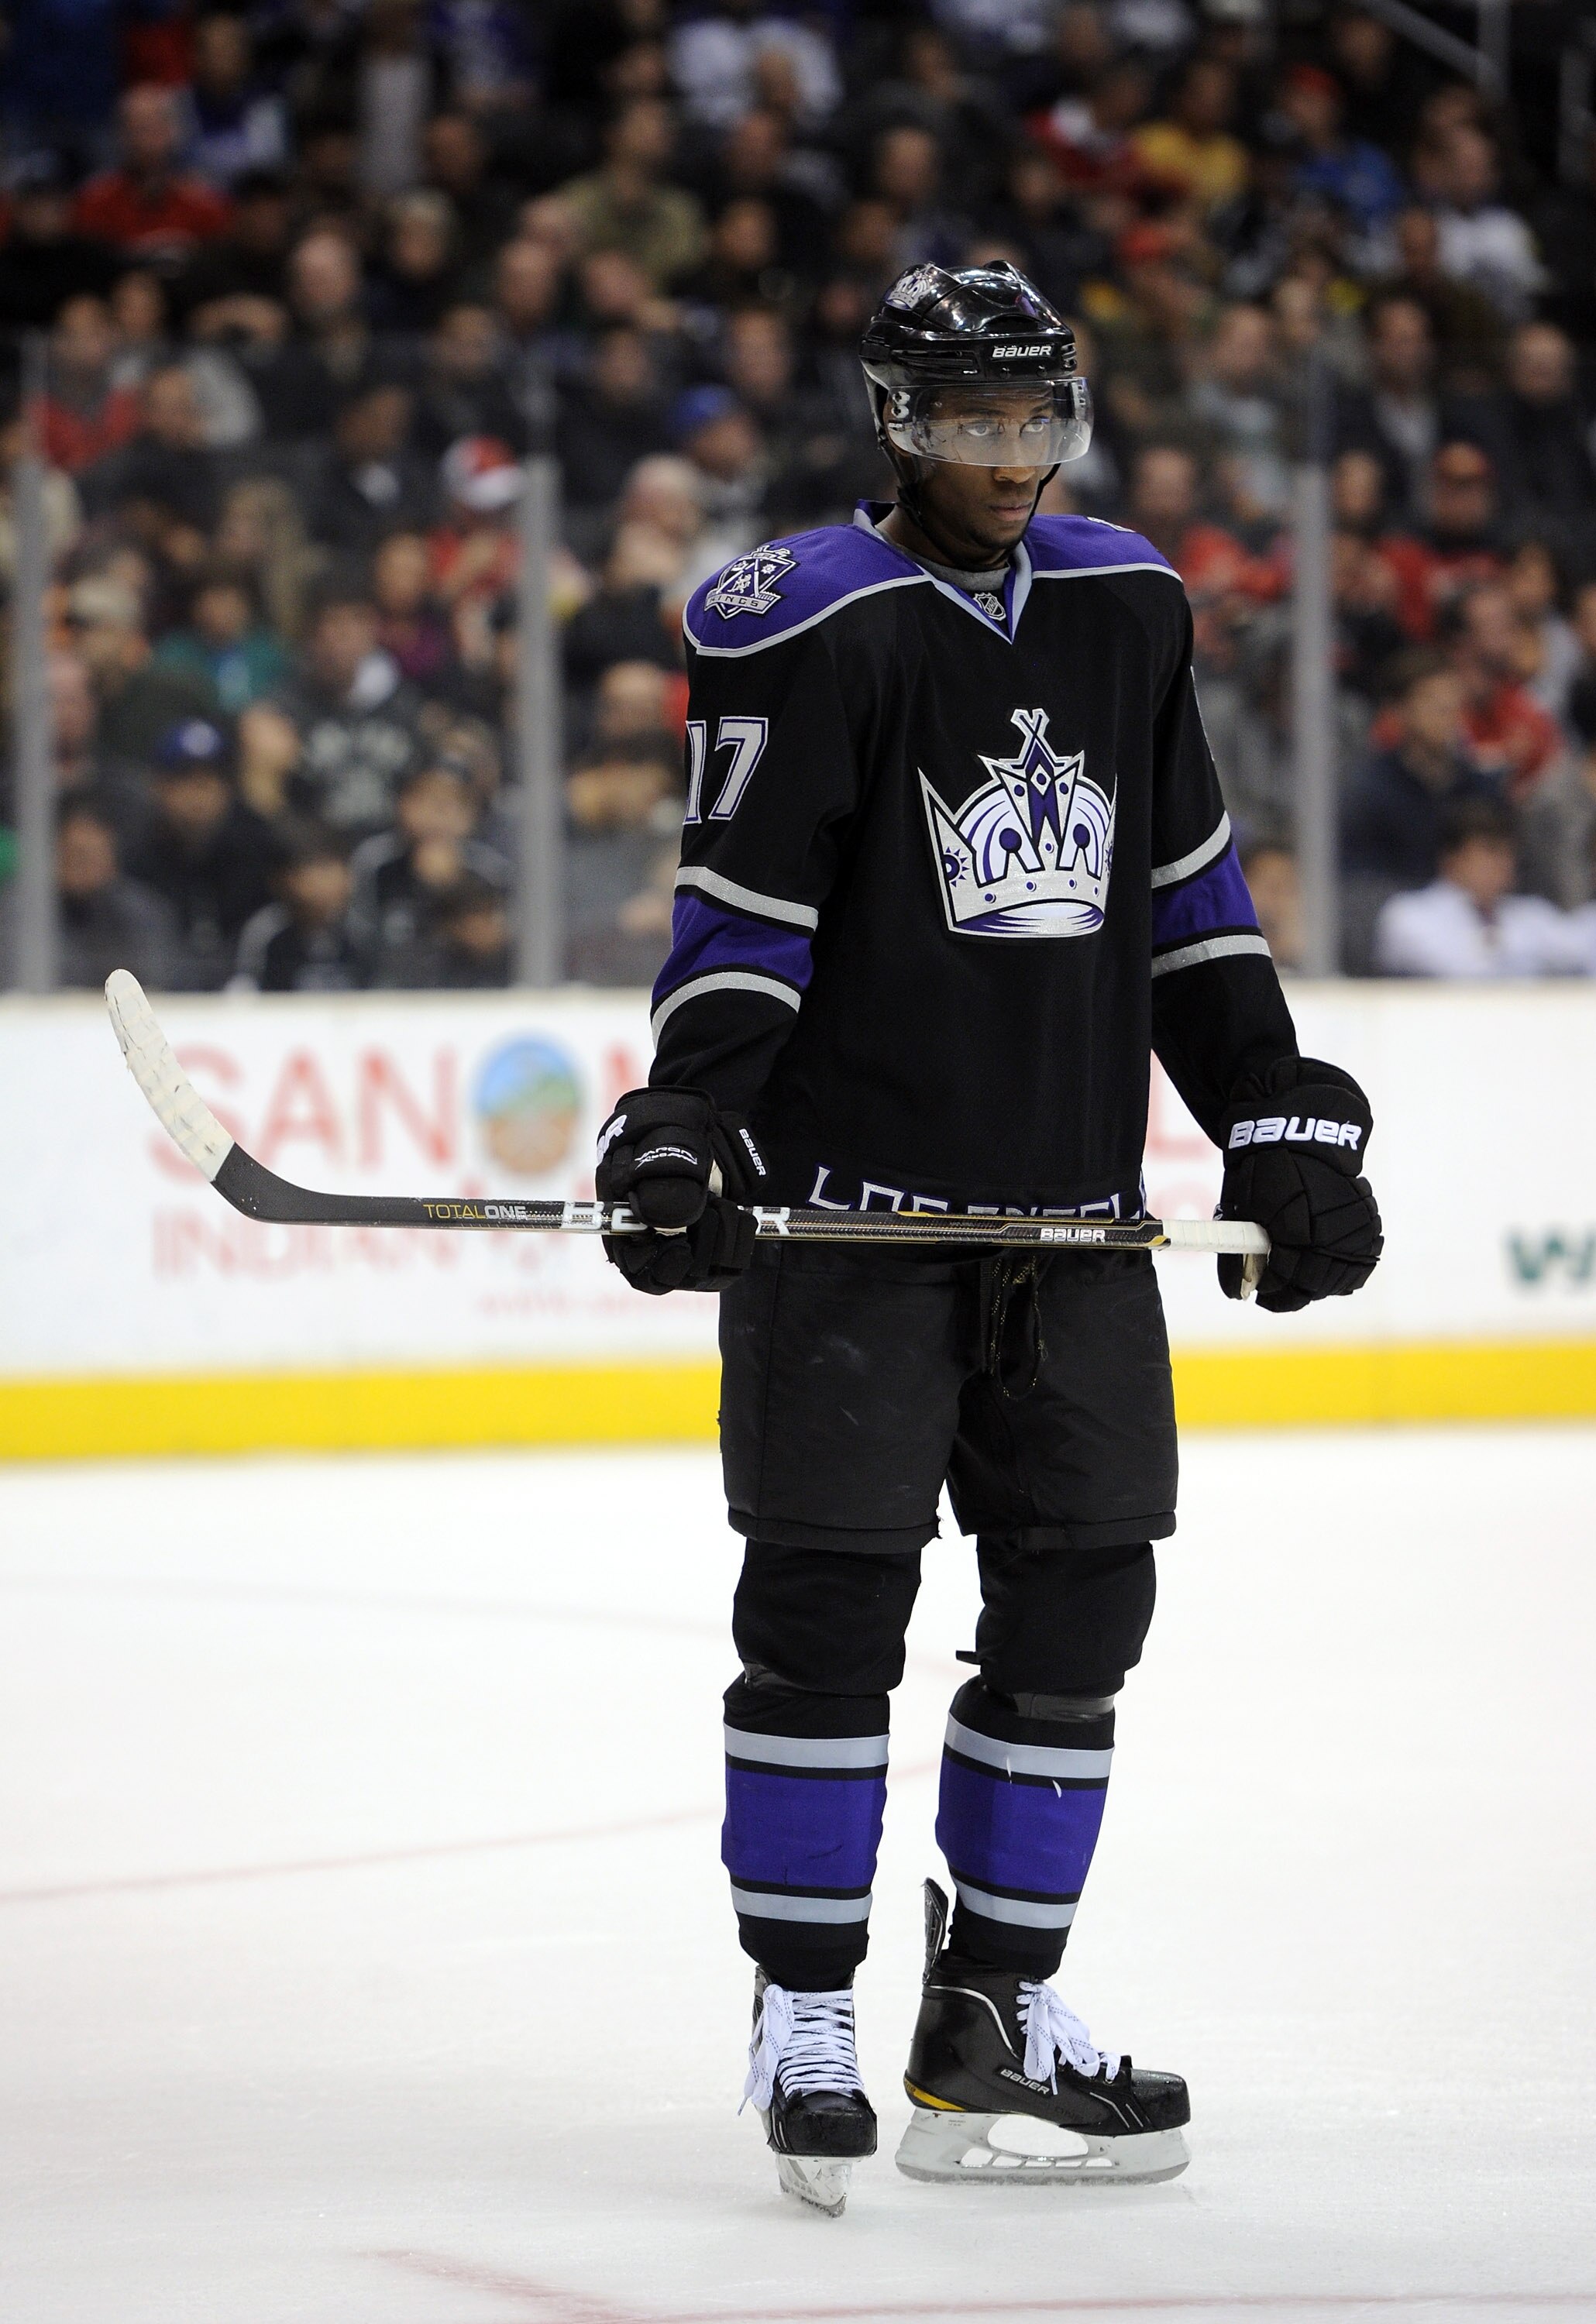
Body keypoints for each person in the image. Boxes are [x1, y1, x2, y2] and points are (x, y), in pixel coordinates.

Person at [592, 262, 1383, 2215]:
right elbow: (744, 924)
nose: (1009, 461)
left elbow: (1188, 909)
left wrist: (1273, 1115)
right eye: (971, 424)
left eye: (1037, 420)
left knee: (1081, 1617)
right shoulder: (812, 624)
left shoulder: (1126, 604)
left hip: (1079, 1236)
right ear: (893, 419)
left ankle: (992, 2016)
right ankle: (804, 2009)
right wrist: (693, 1114)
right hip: (851, 1234)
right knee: (825, 1625)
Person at [1374, 798, 1587, 978]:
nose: (1504, 863)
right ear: (1452, 858)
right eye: (1491, 851)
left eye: (1508, 852)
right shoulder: (1407, 915)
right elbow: (1466, 972)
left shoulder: (1530, 914)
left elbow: (1582, 948)